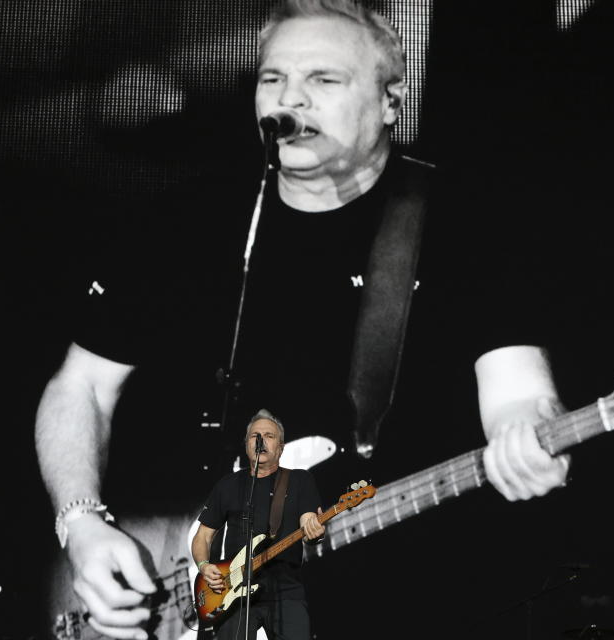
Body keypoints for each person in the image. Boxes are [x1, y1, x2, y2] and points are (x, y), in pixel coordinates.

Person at [35, 1, 570, 638]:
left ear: (390, 102)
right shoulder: (185, 221)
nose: (292, 98)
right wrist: (82, 524)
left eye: (324, 80)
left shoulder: (462, 224)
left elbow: (518, 394)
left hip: (402, 598)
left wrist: (527, 437)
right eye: (273, 79)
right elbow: (81, 385)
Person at [191, 410, 325, 639]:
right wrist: (204, 565)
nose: (261, 439)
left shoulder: (300, 480)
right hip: (232, 589)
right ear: (246, 445)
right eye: (255, 435)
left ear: (281, 448)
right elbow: (203, 536)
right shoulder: (228, 485)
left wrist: (314, 529)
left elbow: (308, 520)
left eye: (269, 435)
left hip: (285, 588)